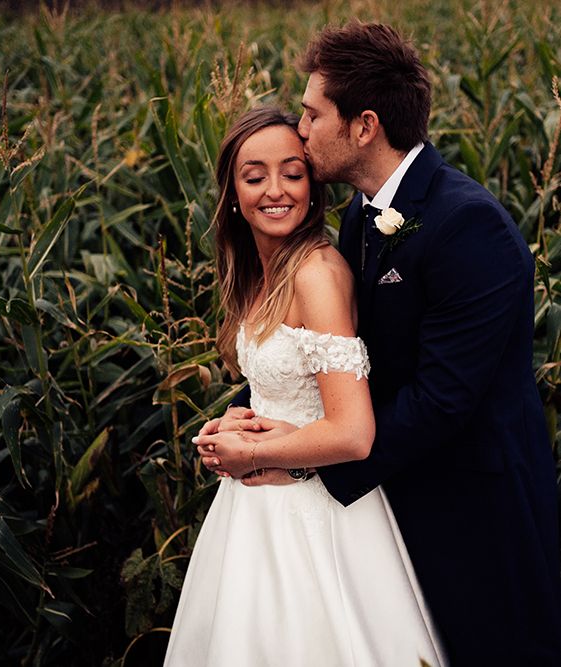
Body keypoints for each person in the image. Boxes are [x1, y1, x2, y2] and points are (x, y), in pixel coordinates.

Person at [196, 22, 561, 666]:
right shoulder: (363, 214)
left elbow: (443, 399)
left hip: (473, 512)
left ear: (363, 126)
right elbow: (342, 360)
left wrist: (302, 461)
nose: (301, 131)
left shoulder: (468, 225)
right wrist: (262, 423)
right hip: (391, 494)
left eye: (312, 115)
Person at [164, 106, 447, 666]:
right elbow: (283, 389)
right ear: (231, 190)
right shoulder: (263, 269)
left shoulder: (316, 275)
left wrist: (253, 451)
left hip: (314, 513)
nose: (276, 190)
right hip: (255, 508)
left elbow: (353, 433)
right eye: (255, 176)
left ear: (314, 186)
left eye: (293, 173)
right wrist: (231, 426)